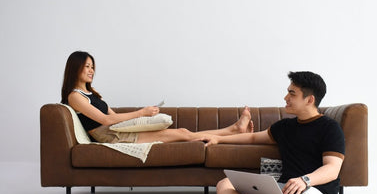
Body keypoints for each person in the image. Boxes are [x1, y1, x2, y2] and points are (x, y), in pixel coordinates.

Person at [184, 71, 345, 194]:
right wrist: (219, 138)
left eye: (292, 94)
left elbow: (332, 168)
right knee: (225, 183)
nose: (285, 97)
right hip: (285, 189)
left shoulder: (330, 128)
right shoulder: (285, 126)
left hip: (318, 193)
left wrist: (305, 180)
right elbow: (253, 137)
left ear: (309, 100)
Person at [61, 51, 253, 144]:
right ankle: (234, 131)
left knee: (183, 132)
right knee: (183, 134)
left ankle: (234, 130)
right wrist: (141, 112)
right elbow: (105, 120)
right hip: (109, 136)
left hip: (115, 130)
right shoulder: (75, 96)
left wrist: (143, 117)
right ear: (74, 68)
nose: (91, 70)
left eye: (92, 66)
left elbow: (113, 116)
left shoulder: (91, 94)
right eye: (87, 66)